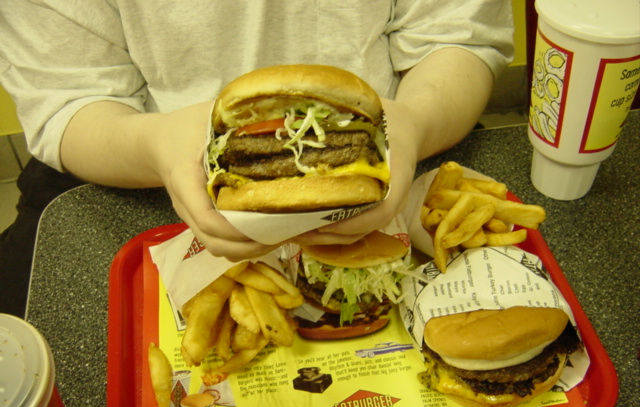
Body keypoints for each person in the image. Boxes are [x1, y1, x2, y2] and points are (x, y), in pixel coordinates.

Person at [0, 1, 514, 316]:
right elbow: (66, 98)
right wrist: (156, 146)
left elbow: (458, 35)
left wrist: (415, 122)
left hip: (402, 145)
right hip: (132, 163)